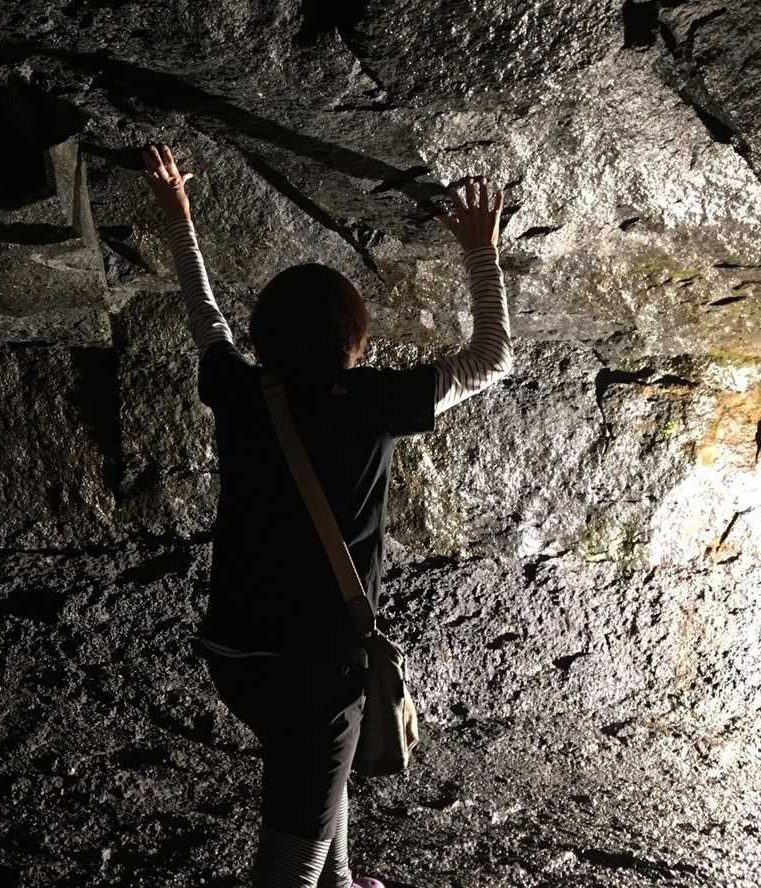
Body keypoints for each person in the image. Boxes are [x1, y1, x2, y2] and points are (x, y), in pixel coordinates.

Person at [142, 143, 513, 888]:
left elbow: (204, 317)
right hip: (316, 665)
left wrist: (178, 214)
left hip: (235, 653)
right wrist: (480, 248)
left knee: (315, 766)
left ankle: (341, 882)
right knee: (291, 857)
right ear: (354, 341)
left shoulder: (241, 391)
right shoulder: (373, 401)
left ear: (263, 337)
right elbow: (492, 357)